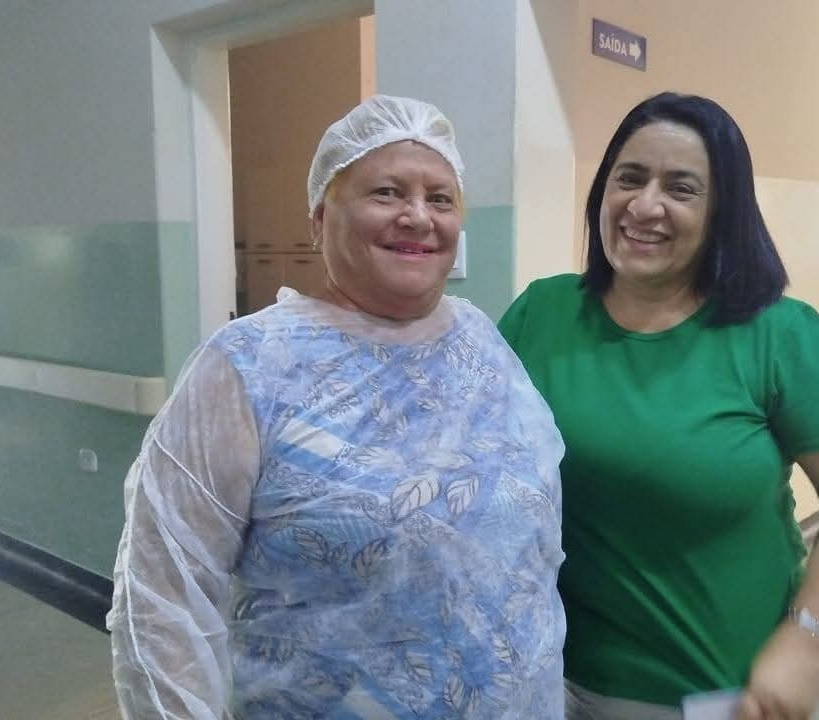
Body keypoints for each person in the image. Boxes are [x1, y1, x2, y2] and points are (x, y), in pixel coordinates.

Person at [107, 95, 566, 719]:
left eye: (440, 199)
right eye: (386, 193)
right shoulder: (248, 368)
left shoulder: (481, 343)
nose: (417, 216)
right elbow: (162, 600)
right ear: (320, 218)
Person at [499, 92, 819, 720]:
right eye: (629, 178)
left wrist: (808, 641)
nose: (645, 205)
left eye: (681, 188)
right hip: (550, 678)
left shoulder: (777, 334)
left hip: (725, 696)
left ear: (722, 214)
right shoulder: (539, 314)